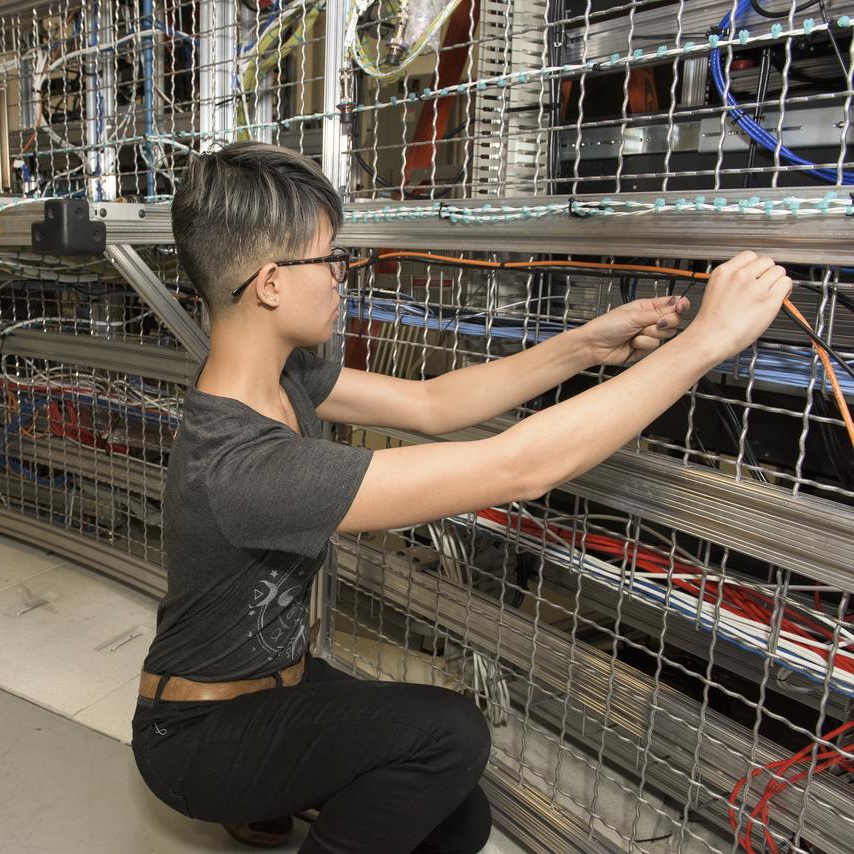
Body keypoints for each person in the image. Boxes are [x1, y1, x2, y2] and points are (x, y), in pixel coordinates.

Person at [130, 142, 791, 854]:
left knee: (456, 821)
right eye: (330, 259)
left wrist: (585, 346)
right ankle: (247, 790)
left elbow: (433, 402)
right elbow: (519, 468)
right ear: (269, 284)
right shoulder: (241, 465)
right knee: (450, 735)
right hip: (193, 737)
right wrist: (705, 344)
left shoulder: (275, 376)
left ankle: (275, 789)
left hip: (274, 686)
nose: (340, 277)